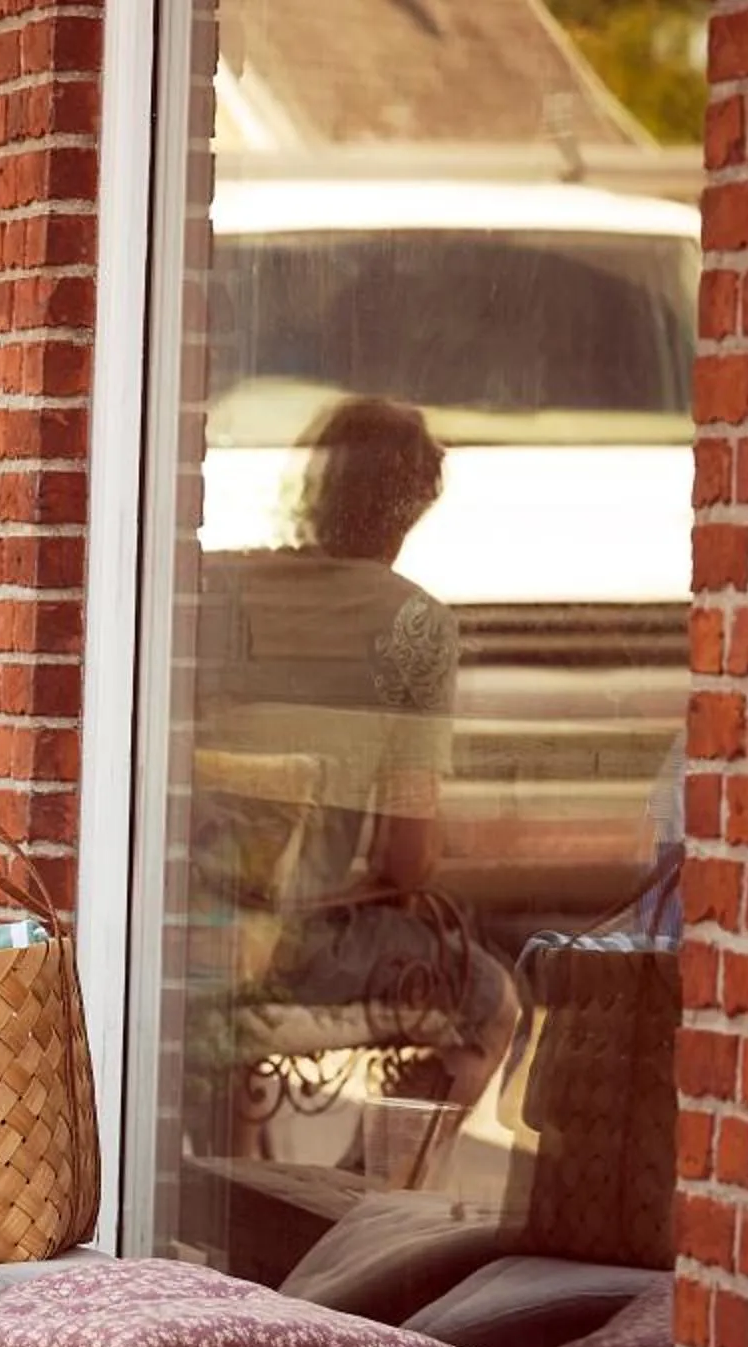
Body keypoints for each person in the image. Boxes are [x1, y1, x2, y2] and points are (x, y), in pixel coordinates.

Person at [194, 394, 515, 1131]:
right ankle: (372, 1208)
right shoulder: (414, 625)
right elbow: (409, 860)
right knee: (490, 1004)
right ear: (412, 509)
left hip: (184, 928)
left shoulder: (225, 587)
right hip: (290, 952)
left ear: (316, 487)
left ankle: (254, 1187)